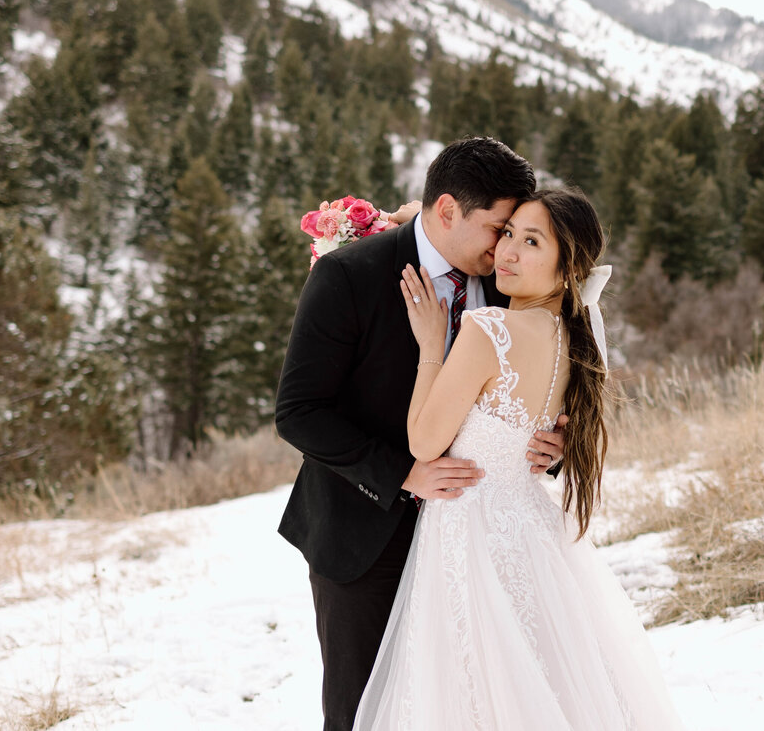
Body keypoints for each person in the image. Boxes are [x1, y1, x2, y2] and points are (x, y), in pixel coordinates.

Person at [353, 188, 685, 730]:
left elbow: (423, 443)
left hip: (470, 530)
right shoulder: (571, 342)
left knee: (476, 693)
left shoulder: (490, 329)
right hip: (531, 529)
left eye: (531, 242)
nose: (507, 252)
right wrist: (409, 216)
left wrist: (431, 346)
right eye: (507, 233)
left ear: (566, 264)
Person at [274, 138, 567, 731]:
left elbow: (525, 384)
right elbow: (299, 410)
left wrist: (549, 444)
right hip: (364, 537)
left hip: (472, 540)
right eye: (497, 228)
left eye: (515, 232)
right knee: (365, 714)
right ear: (448, 211)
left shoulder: (505, 285)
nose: (505, 246)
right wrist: (401, 472)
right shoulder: (348, 275)